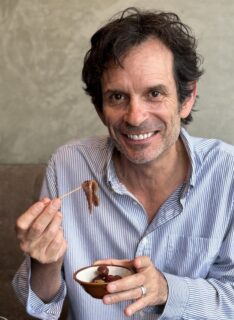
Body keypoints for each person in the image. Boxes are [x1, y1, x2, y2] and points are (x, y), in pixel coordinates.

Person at [12, 7, 234, 320]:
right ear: (101, 107)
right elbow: (42, 308)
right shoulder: (68, 165)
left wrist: (166, 290)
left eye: (154, 93)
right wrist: (45, 262)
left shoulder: (228, 174)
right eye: (117, 97)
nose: (135, 117)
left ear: (186, 99)